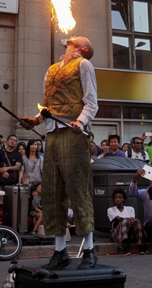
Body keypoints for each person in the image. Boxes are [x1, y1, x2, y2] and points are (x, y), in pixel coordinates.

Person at [21, 35, 99, 270]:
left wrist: (81, 122)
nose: (72, 36)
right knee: (52, 192)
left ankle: (89, 251)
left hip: (73, 133)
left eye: (78, 38)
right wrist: (35, 119)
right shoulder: (52, 69)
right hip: (52, 134)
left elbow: (92, 102)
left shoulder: (84, 64)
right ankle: (60, 251)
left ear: (83, 48)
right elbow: (48, 106)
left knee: (78, 190)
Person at [107, 188, 147, 255]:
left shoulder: (130, 209)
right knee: (125, 221)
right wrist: (128, 220)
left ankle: (141, 246)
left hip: (129, 234)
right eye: (116, 198)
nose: (118, 199)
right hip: (116, 234)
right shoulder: (110, 210)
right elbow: (117, 219)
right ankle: (120, 247)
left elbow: (132, 220)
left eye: (120, 198)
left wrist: (131, 220)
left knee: (137, 221)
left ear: (124, 199)